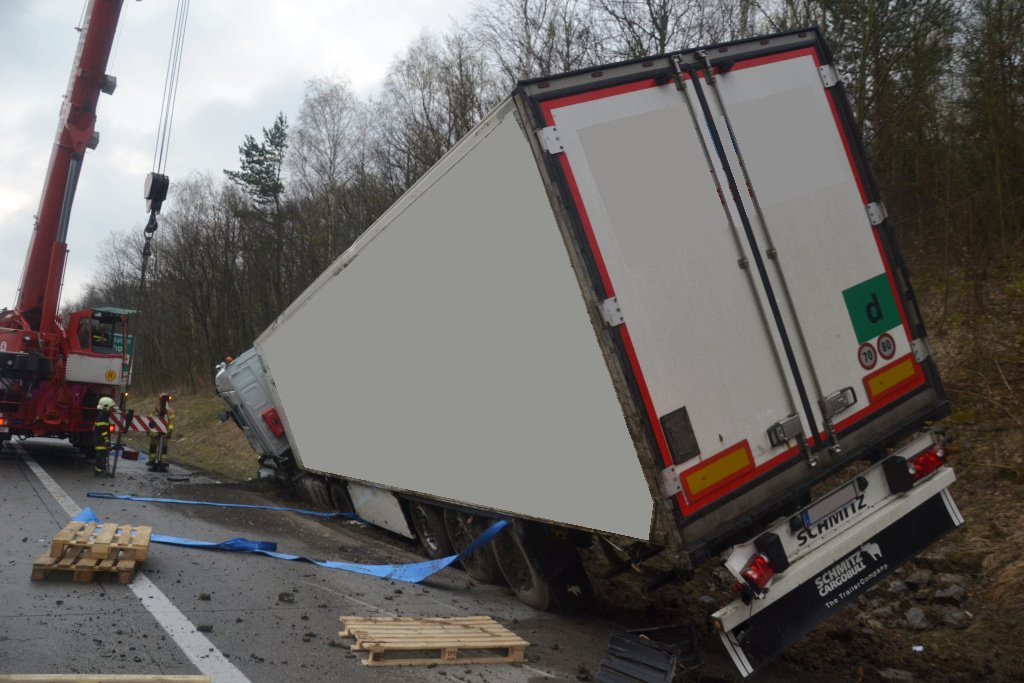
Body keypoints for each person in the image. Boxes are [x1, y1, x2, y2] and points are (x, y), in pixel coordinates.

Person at [147, 393, 174, 472]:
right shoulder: (156, 410)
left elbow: (171, 423)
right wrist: (148, 430)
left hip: (162, 433)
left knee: (163, 449)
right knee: (154, 448)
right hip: (156, 432)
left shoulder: (169, 411)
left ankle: (161, 462)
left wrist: (169, 431)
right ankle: (153, 461)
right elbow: (150, 420)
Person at [93, 396, 116, 475]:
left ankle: (100, 469)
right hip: (100, 440)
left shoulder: (103, 414)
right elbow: (101, 429)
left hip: (100, 439)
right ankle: (99, 471)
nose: (111, 409)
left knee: (102, 454)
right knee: (101, 455)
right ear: (106, 406)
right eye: (111, 407)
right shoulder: (102, 415)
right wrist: (106, 439)